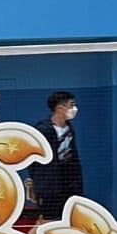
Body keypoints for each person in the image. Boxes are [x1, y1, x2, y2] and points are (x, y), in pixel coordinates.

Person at [29, 91, 82, 224]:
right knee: (47, 220)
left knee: (68, 219)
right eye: (71, 105)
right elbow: (34, 159)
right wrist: (41, 183)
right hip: (50, 186)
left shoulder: (69, 129)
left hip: (68, 185)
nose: (74, 108)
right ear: (60, 108)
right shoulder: (43, 130)